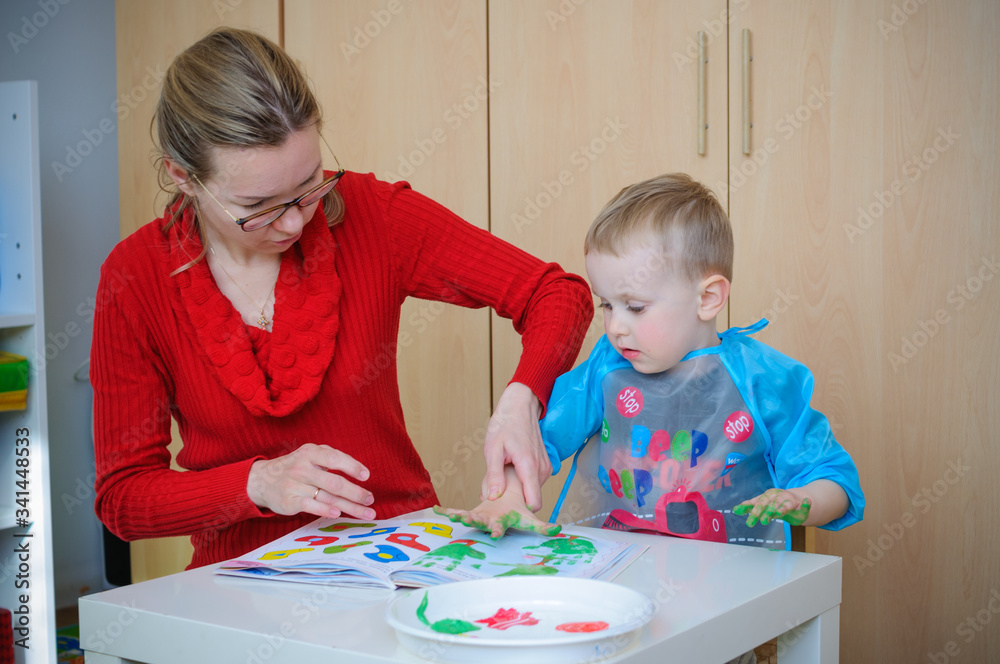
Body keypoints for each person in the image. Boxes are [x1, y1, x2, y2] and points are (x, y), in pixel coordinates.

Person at [90, 27, 592, 570]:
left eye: (309, 185)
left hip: (403, 564)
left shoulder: (372, 214)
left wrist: (522, 400)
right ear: (182, 176)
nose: (293, 222)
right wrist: (257, 482)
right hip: (239, 588)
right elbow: (123, 499)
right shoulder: (134, 277)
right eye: (258, 205)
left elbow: (555, 294)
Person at [438, 173, 864, 552]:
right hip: (621, 573)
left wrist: (801, 501)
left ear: (708, 298)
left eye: (636, 307)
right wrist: (508, 494)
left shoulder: (761, 379)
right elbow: (537, 441)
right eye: (607, 305)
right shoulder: (606, 368)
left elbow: (836, 480)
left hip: (732, 591)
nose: (615, 328)